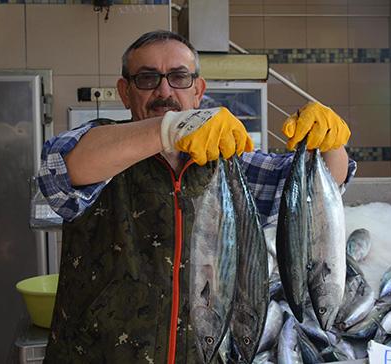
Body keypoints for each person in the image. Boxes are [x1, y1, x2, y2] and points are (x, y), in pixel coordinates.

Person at [37, 30, 355, 363]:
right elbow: (60, 173)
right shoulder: (103, 144)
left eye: (178, 77)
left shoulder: (230, 161)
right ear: (125, 92)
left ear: (198, 91)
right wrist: (170, 129)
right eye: (147, 78)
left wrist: (330, 141)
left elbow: (321, 185)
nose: (164, 91)